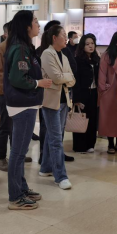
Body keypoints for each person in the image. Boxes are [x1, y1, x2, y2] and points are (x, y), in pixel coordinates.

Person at [4, 10, 52, 210]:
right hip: (23, 104)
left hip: (27, 103)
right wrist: (39, 83)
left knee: (20, 151)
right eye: (35, 21)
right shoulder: (20, 48)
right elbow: (18, 78)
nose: (38, 25)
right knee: (18, 153)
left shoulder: (24, 46)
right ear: (26, 26)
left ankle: (21, 188)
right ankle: (15, 197)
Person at [0, 21, 35, 171]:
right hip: (6, 94)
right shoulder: (0, 48)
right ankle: (0, 158)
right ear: (6, 33)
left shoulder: (22, 47)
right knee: (5, 126)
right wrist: (13, 87)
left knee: (17, 127)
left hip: (21, 95)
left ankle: (16, 155)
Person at [39, 25, 76, 189]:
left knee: (53, 136)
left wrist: (64, 78)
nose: (66, 38)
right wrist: (65, 78)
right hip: (50, 101)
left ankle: (45, 168)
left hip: (63, 100)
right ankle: (60, 176)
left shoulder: (64, 56)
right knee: (56, 139)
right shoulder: (47, 54)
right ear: (54, 38)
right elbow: (56, 77)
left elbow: (72, 79)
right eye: (63, 35)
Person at [98, 31, 117, 154]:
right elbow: (102, 73)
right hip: (110, 92)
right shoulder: (107, 55)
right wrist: (103, 88)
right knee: (110, 118)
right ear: (116, 42)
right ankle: (110, 143)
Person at [72, 34, 100, 154]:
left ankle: (90, 144)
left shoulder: (96, 59)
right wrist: (76, 99)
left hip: (94, 92)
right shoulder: (77, 60)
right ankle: (79, 145)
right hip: (82, 93)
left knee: (92, 119)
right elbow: (76, 80)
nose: (90, 46)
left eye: (92, 43)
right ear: (82, 46)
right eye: (87, 44)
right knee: (81, 118)